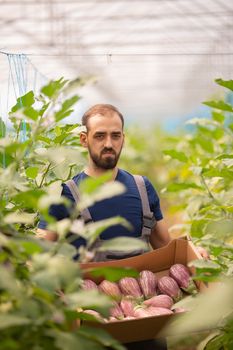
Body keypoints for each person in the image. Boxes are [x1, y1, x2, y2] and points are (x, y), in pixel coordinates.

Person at [37, 103, 208, 350]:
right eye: (100, 135)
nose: (109, 143)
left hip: (145, 317)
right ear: (84, 140)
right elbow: (41, 251)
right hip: (94, 323)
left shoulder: (142, 187)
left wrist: (195, 253)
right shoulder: (65, 194)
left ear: (123, 139)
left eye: (115, 135)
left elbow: (166, 246)